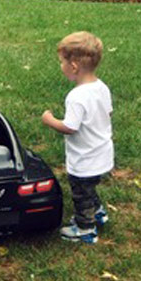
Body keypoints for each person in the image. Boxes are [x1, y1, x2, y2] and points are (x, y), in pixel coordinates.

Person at [41, 31, 113, 244]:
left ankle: (85, 228)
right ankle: (98, 212)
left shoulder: (77, 96)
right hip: (102, 153)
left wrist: (50, 120)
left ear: (73, 66)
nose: (60, 66)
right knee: (90, 187)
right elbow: (107, 113)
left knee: (81, 193)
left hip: (84, 158)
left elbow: (70, 127)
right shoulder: (101, 87)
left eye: (61, 62)